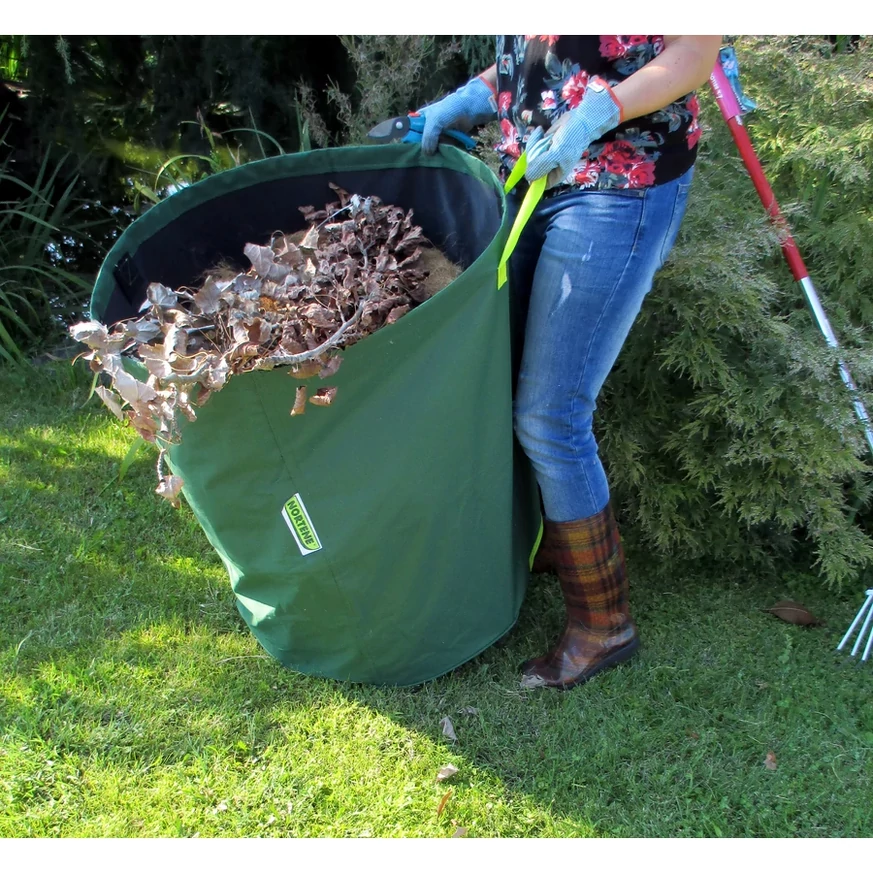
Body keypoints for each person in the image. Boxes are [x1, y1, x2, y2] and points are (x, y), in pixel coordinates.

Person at [418, 35, 723, 690]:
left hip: (618, 184)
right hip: (535, 171)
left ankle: (603, 625)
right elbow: (544, 53)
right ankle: (559, 543)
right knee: (503, 377)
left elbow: (692, 55)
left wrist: (594, 114)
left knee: (550, 415)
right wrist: (470, 96)